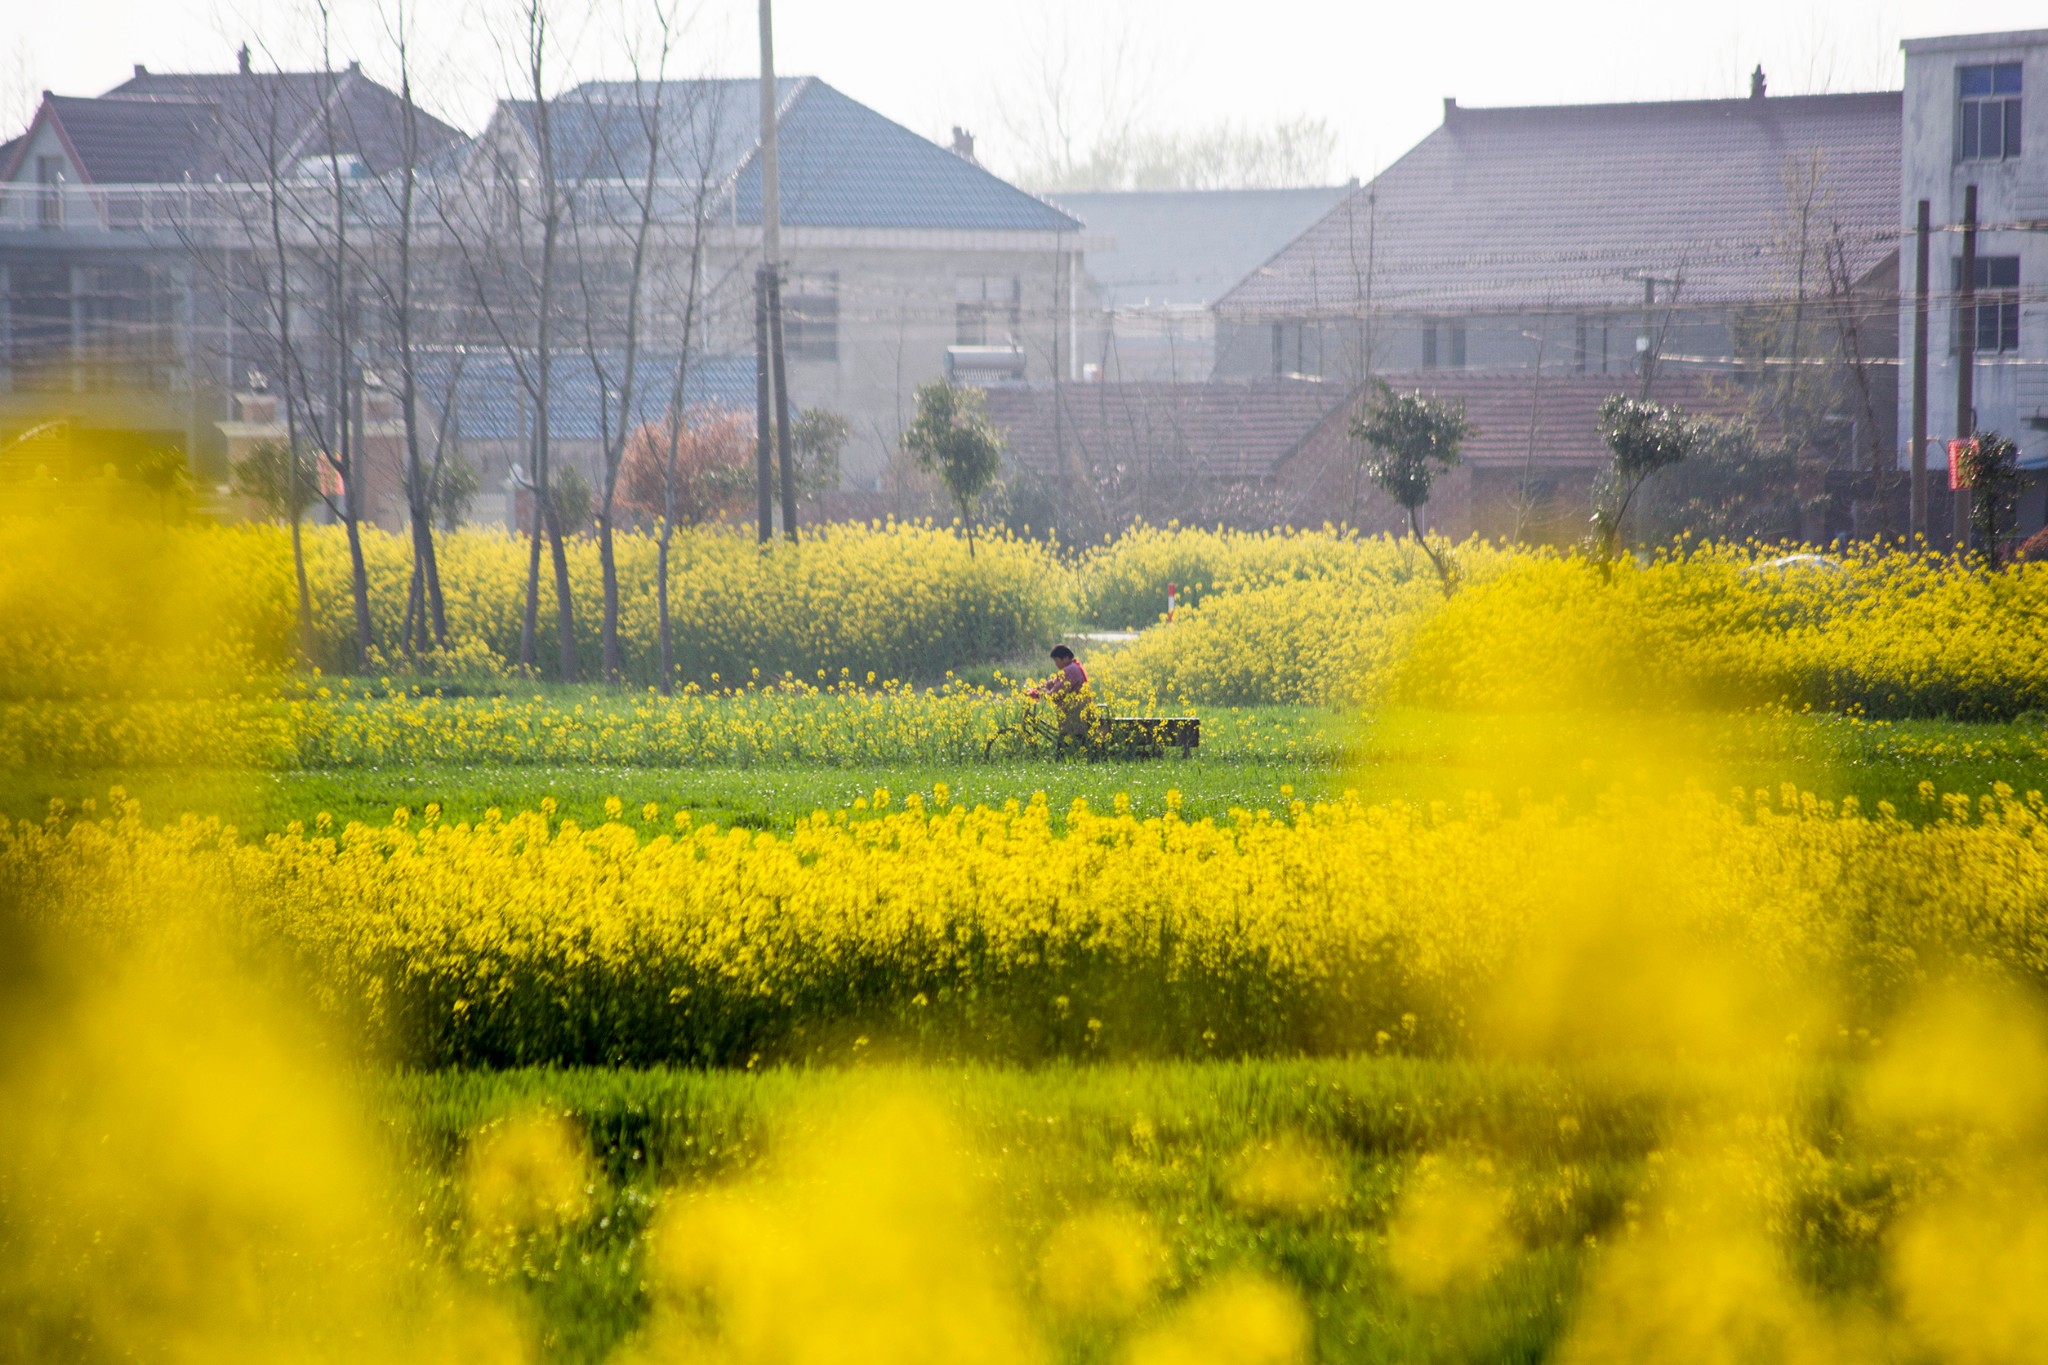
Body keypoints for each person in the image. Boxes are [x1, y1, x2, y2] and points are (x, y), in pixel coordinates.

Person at [1027, 644, 1099, 746]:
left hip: (1075, 712)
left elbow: (1056, 692)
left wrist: (1043, 693)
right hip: (1078, 709)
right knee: (1071, 740)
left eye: (1057, 660)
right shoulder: (1073, 667)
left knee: (1066, 740)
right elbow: (1054, 683)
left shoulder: (1069, 670)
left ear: (1065, 658)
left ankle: (1062, 757)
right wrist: (1038, 688)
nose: (1056, 663)